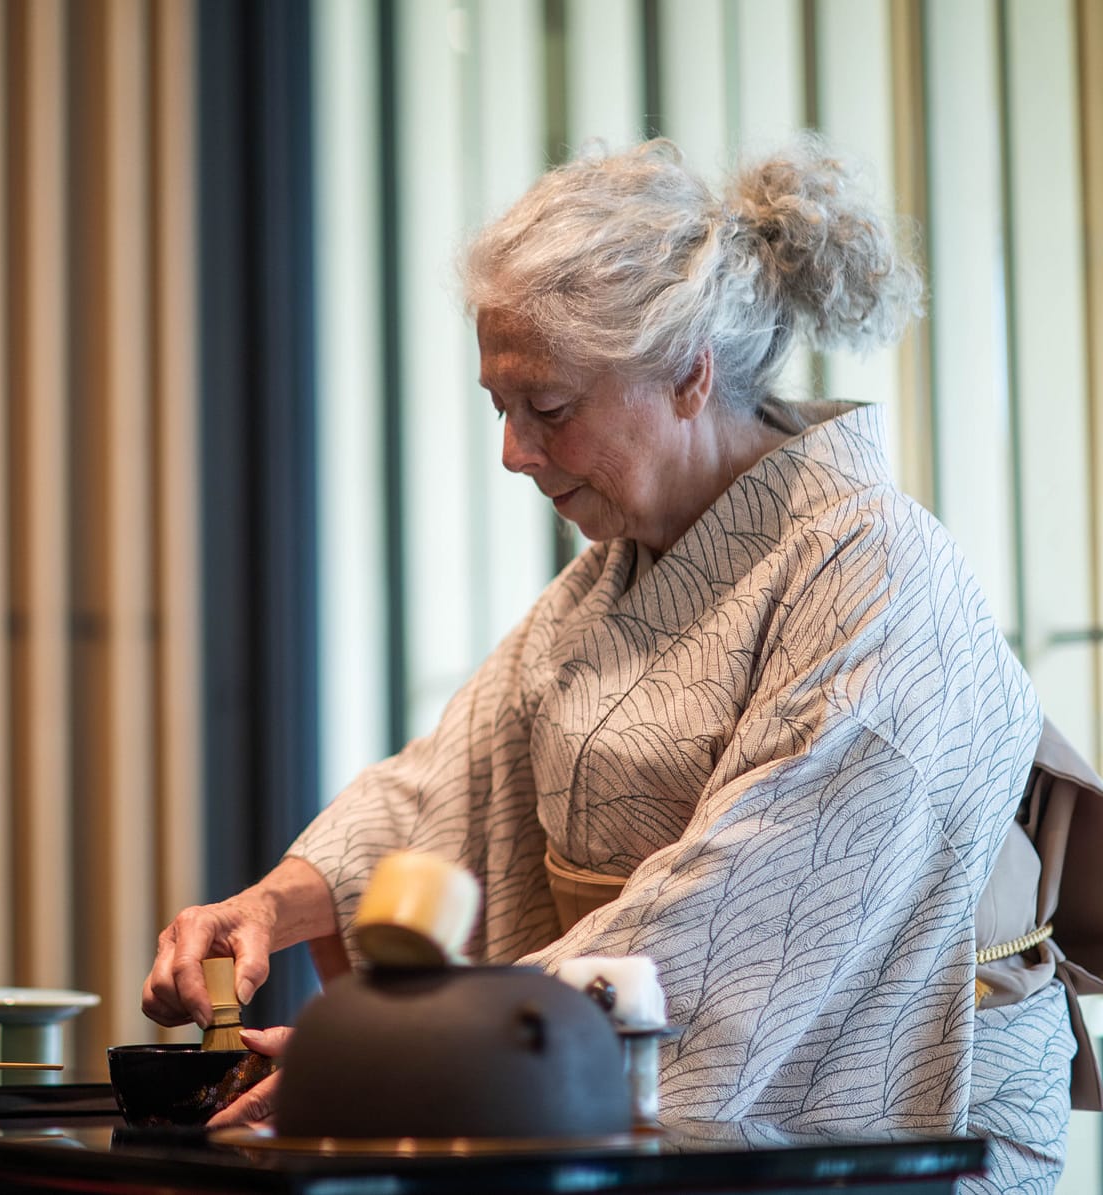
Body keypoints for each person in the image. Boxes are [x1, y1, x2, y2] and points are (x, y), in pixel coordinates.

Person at [144, 138, 1088, 1193]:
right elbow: (451, 785)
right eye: (500, 407)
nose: (512, 451)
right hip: (621, 1055)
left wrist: (401, 1053)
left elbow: (752, 903)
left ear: (691, 375)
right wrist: (275, 902)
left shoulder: (877, 568)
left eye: (547, 409)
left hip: (878, 1104)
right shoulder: (613, 575)